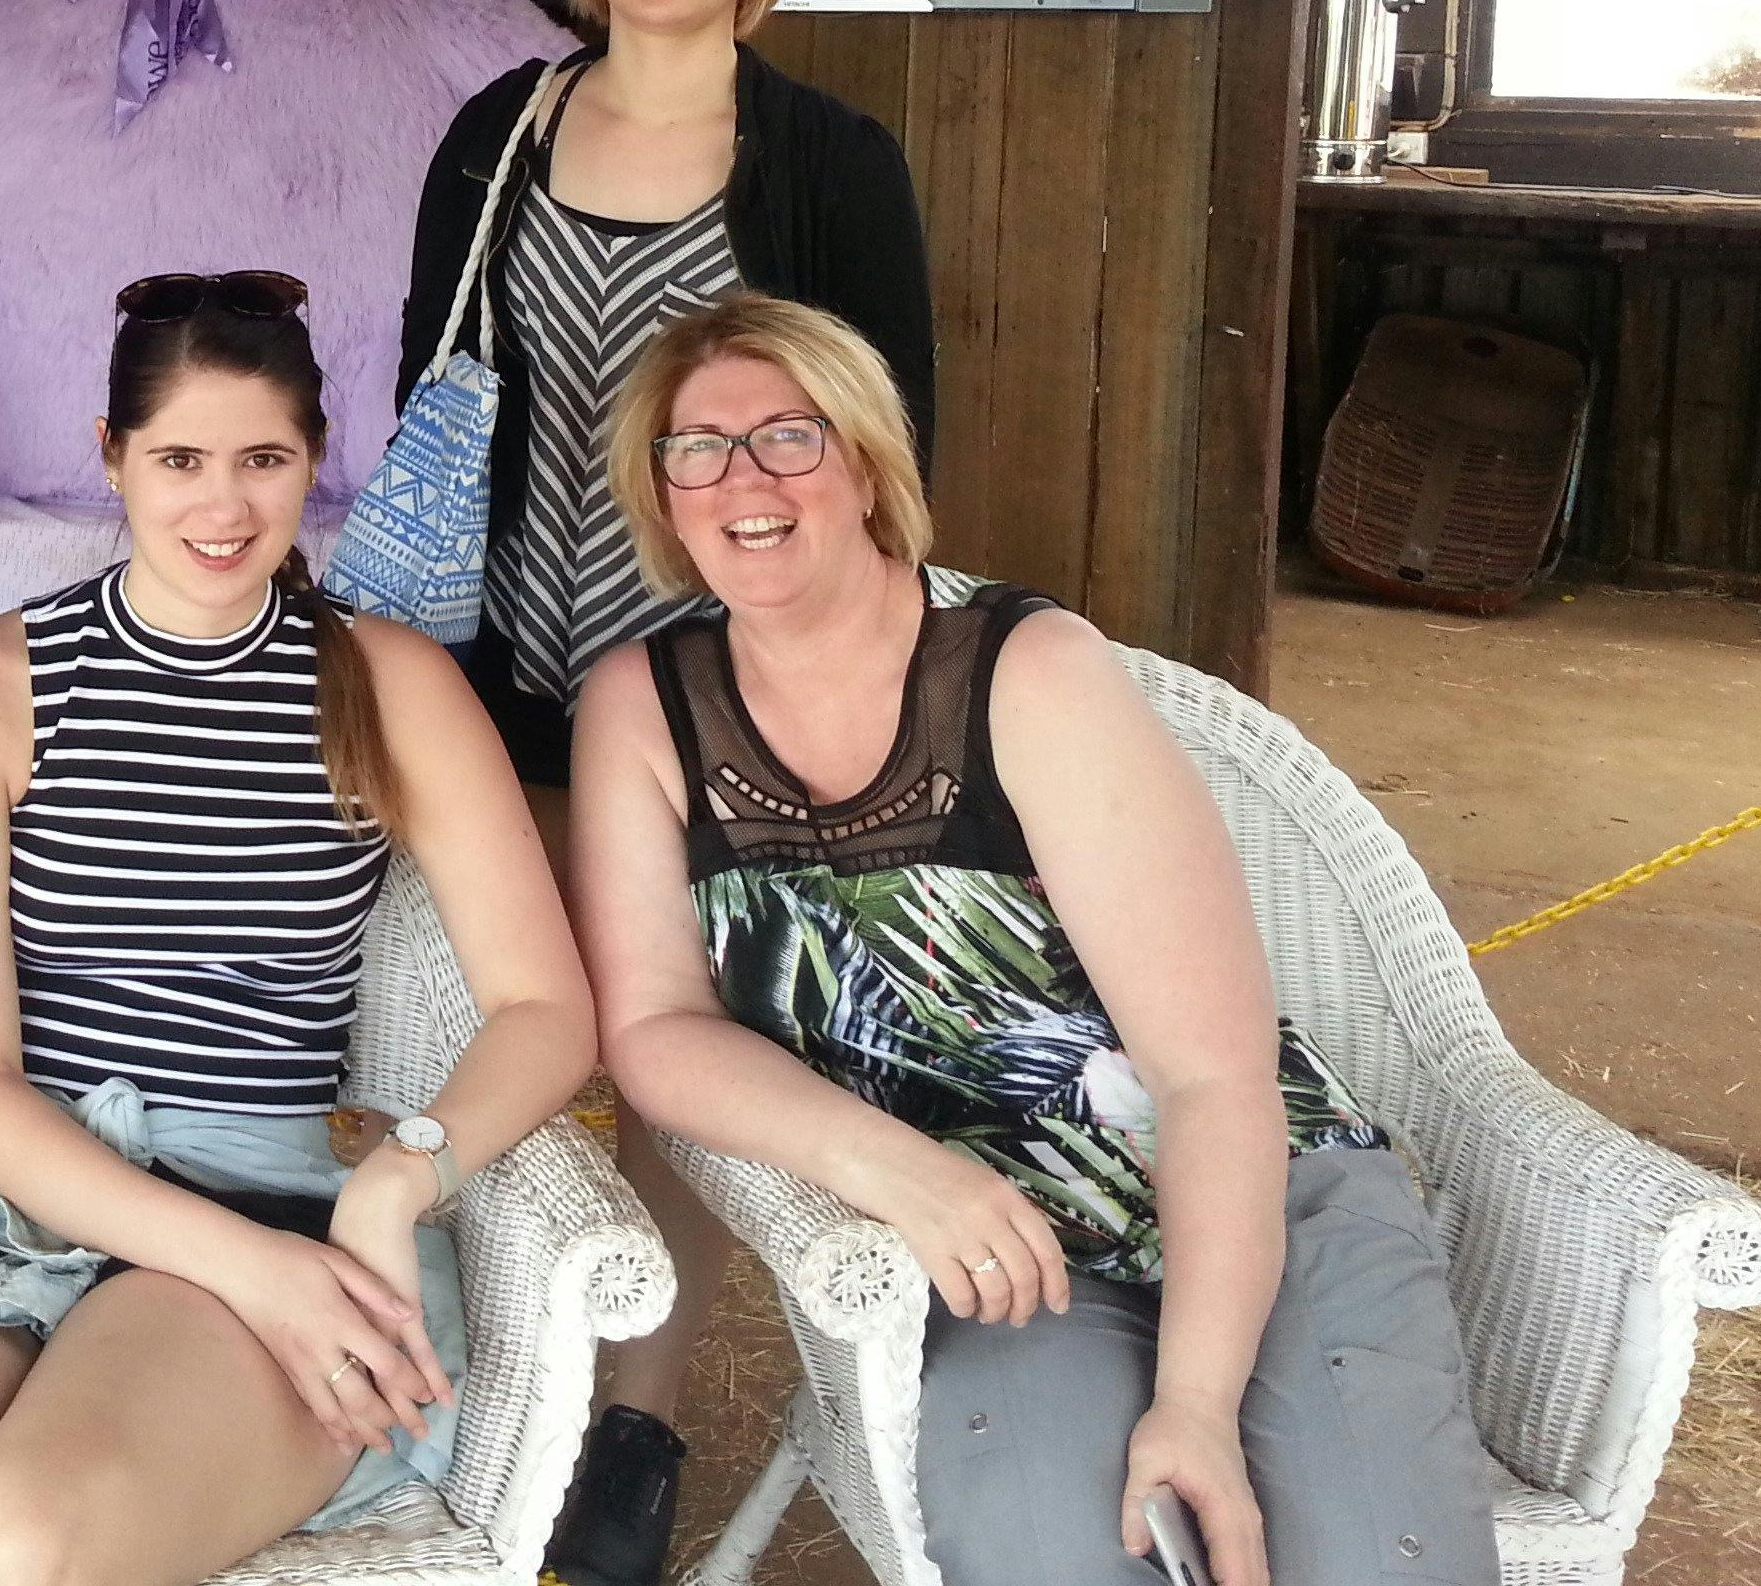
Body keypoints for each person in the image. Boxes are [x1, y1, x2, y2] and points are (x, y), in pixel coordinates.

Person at [570, 293, 1505, 1586]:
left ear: (868, 465)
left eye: (789, 436)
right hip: (1001, 1242)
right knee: (1046, 1552)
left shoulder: (1025, 671)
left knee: (1367, 1559)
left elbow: (1211, 1077)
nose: (743, 478)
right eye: (698, 449)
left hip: (1252, 1195)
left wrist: (1195, 1406)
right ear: (661, 494)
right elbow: (656, 1032)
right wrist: (902, 1171)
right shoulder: (646, 706)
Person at [0, 270, 596, 1586]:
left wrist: (399, 1179)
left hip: (265, 1193)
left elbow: (546, 1009)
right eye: (180, 456)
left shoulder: (388, 686)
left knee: (33, 1545)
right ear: (112, 457)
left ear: (314, 464)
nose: (222, 501)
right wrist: (242, 1266)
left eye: (264, 458)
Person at [394, 0, 934, 1583]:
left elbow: (879, 451)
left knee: (671, 1048)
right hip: (495, 680)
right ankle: (494, 1380)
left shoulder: (833, 165)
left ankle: (634, 1427)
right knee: (506, 1035)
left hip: (711, 699)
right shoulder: (496, 134)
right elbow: (425, 409)